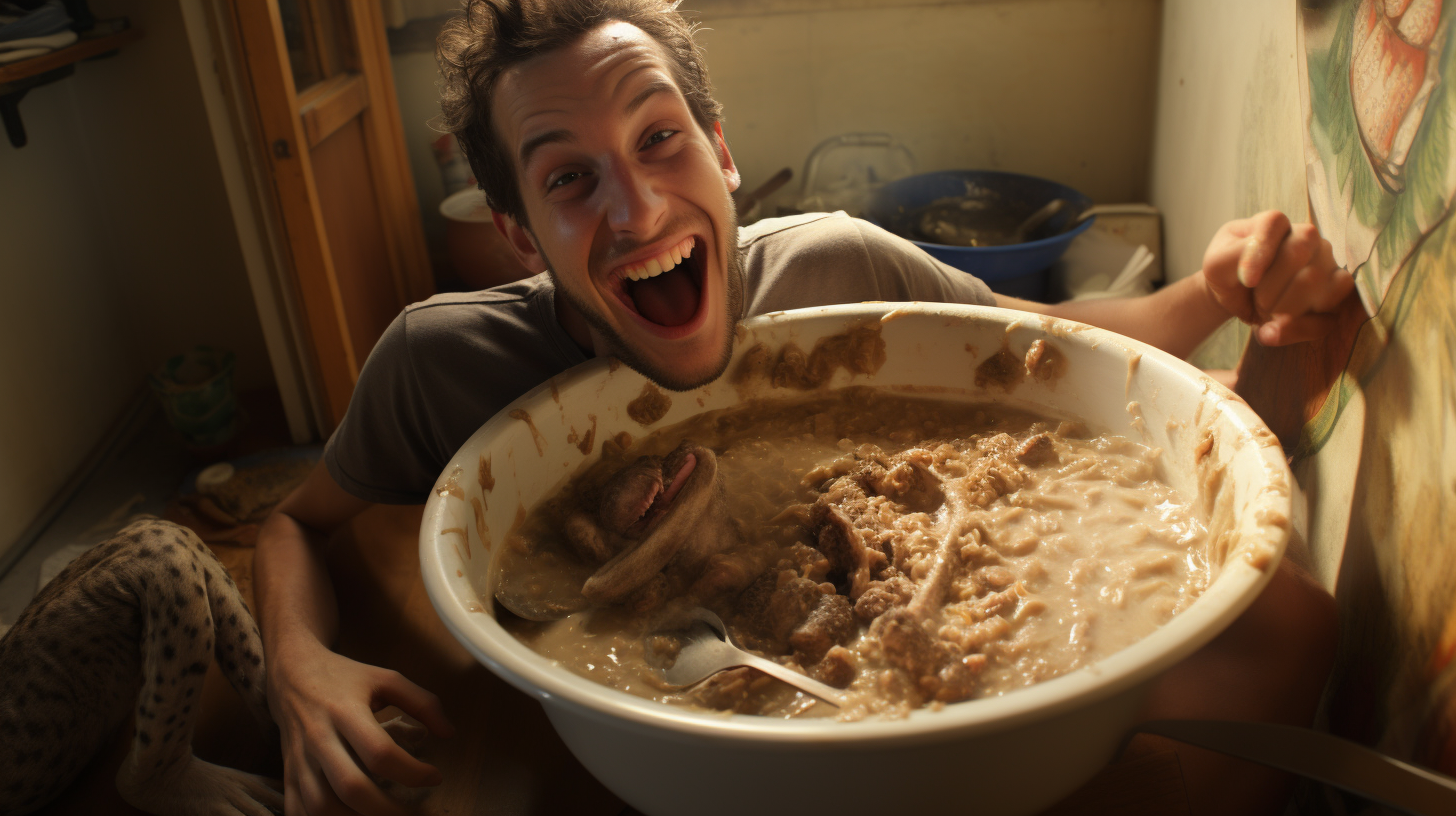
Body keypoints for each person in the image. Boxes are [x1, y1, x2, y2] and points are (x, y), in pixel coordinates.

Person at [255, 1, 1350, 814]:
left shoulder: (839, 271)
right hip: (634, 756)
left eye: (658, 139)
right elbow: (296, 523)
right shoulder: (443, 364)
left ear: (722, 152)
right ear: (513, 231)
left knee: (1293, 619)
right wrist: (302, 670)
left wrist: (1220, 287)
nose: (633, 209)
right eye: (568, 180)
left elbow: (1061, 355)